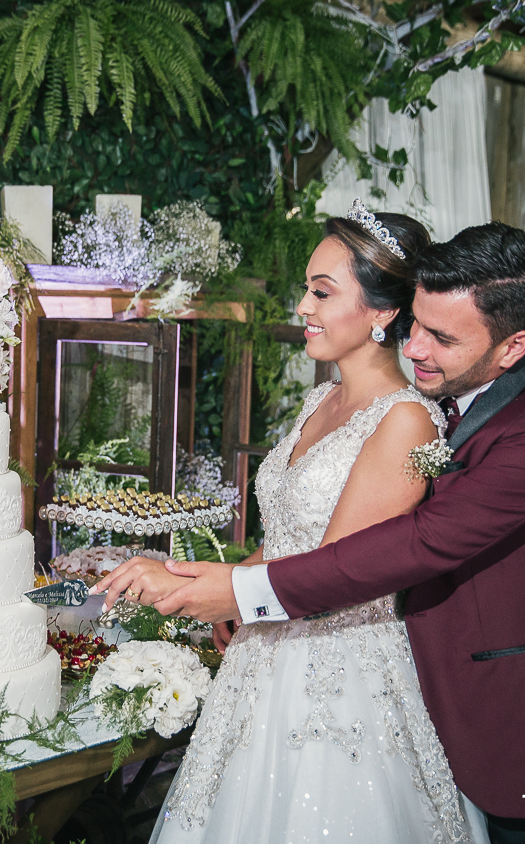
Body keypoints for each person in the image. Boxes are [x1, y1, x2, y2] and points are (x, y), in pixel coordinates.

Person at [99, 222, 525, 844]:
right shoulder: (432, 397)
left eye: (441, 337)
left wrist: (245, 590)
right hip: (431, 703)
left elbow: (418, 543)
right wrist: (246, 573)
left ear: (514, 346)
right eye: (415, 324)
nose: (415, 351)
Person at [104, 200, 486, 843]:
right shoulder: (320, 399)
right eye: (306, 289)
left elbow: (336, 567)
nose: (303, 306)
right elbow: (288, 540)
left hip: (340, 671)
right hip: (266, 647)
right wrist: (198, 580)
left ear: (384, 313)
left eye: (322, 292)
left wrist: (212, 587)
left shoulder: (407, 422)